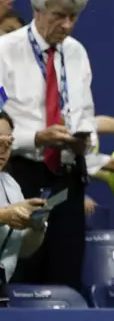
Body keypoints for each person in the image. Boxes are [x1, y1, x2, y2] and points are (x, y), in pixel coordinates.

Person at [0, 0, 95, 293]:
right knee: (22, 275)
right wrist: (37, 137)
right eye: (58, 16)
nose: (67, 25)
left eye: (74, 16)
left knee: (65, 279)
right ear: (37, 10)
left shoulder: (77, 53)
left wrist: (85, 140)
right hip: (20, 176)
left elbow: (86, 113)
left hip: (66, 181)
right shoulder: (5, 51)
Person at [0, 111, 48, 302]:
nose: (3, 149)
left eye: (8, 143)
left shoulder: (11, 186)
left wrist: (37, 226)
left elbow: (22, 250)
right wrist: (4, 216)